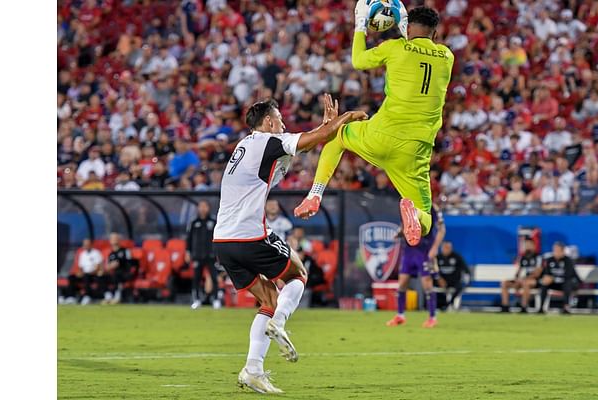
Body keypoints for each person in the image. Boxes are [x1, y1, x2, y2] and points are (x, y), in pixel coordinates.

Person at [214, 95, 366, 394]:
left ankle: (252, 370)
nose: (283, 124)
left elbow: (309, 142)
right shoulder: (267, 142)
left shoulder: (245, 146)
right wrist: (344, 118)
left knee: (268, 300)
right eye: (280, 119)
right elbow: (313, 139)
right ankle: (281, 323)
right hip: (249, 235)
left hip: (223, 240)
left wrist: (326, 127)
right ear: (269, 122)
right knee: (297, 275)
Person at [295, 4, 453, 250]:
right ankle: (413, 213)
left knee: (336, 135)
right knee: (427, 222)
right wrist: (407, 29)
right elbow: (419, 50)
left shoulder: (394, 48)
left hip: (379, 135)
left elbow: (358, 60)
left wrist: (360, 25)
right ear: (435, 34)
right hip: (414, 152)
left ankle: (315, 194)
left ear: (408, 28)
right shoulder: (447, 56)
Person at [386, 204, 446, 328]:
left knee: (427, 283)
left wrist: (434, 248)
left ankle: (432, 317)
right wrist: (398, 233)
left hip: (424, 251)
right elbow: (405, 226)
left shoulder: (433, 207)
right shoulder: (407, 205)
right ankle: (400, 315)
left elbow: (441, 229)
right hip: (409, 250)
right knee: (402, 283)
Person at [186, 200, 218, 309]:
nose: (203, 208)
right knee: (196, 278)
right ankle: (196, 300)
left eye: (205, 206)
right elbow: (189, 239)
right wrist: (188, 252)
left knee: (214, 278)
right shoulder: (194, 222)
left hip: (211, 255)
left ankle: (216, 299)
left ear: (208, 208)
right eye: (201, 206)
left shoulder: (214, 221)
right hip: (197, 255)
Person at [500, 237, 542, 313]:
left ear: (533, 245)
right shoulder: (523, 257)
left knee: (526, 283)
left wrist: (524, 279)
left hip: (534, 281)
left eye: (529, 244)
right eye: (526, 244)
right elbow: (518, 272)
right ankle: (505, 307)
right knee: (504, 283)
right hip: (522, 280)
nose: (527, 246)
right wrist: (517, 279)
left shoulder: (538, 257)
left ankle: (523, 307)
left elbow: (537, 273)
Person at [538, 242, 580, 314]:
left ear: (562, 251)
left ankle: (566, 308)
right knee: (544, 285)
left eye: (558, 250)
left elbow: (568, 275)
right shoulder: (549, 260)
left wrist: (553, 278)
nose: (556, 252)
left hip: (567, 283)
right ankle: (541, 308)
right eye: (554, 250)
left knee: (567, 284)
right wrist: (547, 278)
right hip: (555, 283)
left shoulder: (568, 261)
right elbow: (546, 273)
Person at [68, 239, 105, 306]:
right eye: (84, 245)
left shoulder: (96, 253)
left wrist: (90, 272)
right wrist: (79, 273)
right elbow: (80, 267)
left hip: (93, 274)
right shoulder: (82, 254)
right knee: (71, 277)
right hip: (84, 274)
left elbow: (98, 267)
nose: (86, 246)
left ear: (91, 245)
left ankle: (87, 296)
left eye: (87, 244)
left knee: (86, 276)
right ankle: (71, 297)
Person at [435, 241, 470, 311]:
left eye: (449, 247)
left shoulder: (457, 257)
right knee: (431, 285)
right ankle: (441, 305)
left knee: (460, 286)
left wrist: (467, 280)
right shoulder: (437, 258)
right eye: (445, 247)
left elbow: (466, 269)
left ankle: (450, 303)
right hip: (441, 281)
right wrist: (439, 279)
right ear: (441, 248)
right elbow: (433, 270)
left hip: (454, 282)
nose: (447, 249)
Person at [103, 233, 135, 305]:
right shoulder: (111, 254)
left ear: (119, 240)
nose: (114, 240)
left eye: (115, 238)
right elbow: (108, 265)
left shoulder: (125, 251)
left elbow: (130, 263)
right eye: (112, 238)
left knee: (117, 274)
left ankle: (117, 297)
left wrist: (119, 263)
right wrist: (109, 266)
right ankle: (108, 296)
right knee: (102, 276)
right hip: (114, 273)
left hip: (125, 272)